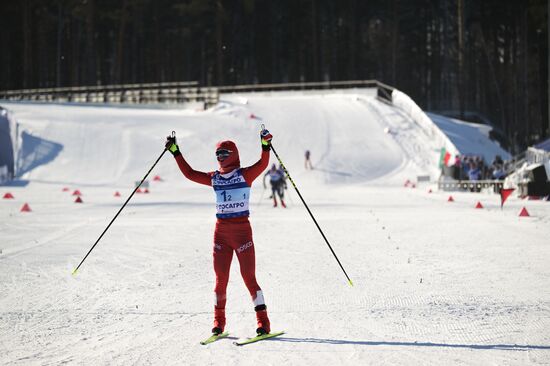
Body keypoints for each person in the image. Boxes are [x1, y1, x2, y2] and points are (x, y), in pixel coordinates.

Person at [165, 128, 273, 336]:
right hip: (221, 234)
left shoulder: (245, 174)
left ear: (233, 155)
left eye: (224, 154)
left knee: (249, 277)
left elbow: (263, 163)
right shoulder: (215, 178)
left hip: (242, 234)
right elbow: (190, 174)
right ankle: (218, 322)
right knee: (220, 279)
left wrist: (265, 145)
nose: (221, 158)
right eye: (218, 154)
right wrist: (176, 151)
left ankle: (263, 323)